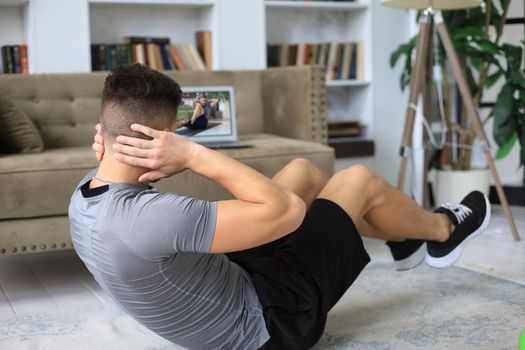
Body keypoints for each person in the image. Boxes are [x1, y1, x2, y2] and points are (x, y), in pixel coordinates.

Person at [69, 64, 491, 350]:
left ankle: (402, 238)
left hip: (226, 287)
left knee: (304, 171)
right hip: (270, 323)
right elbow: (288, 211)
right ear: (162, 136)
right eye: (177, 133)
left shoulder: (85, 195)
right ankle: (441, 233)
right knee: (356, 181)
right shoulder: (155, 219)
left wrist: (118, 148)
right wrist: (194, 155)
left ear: (103, 133)